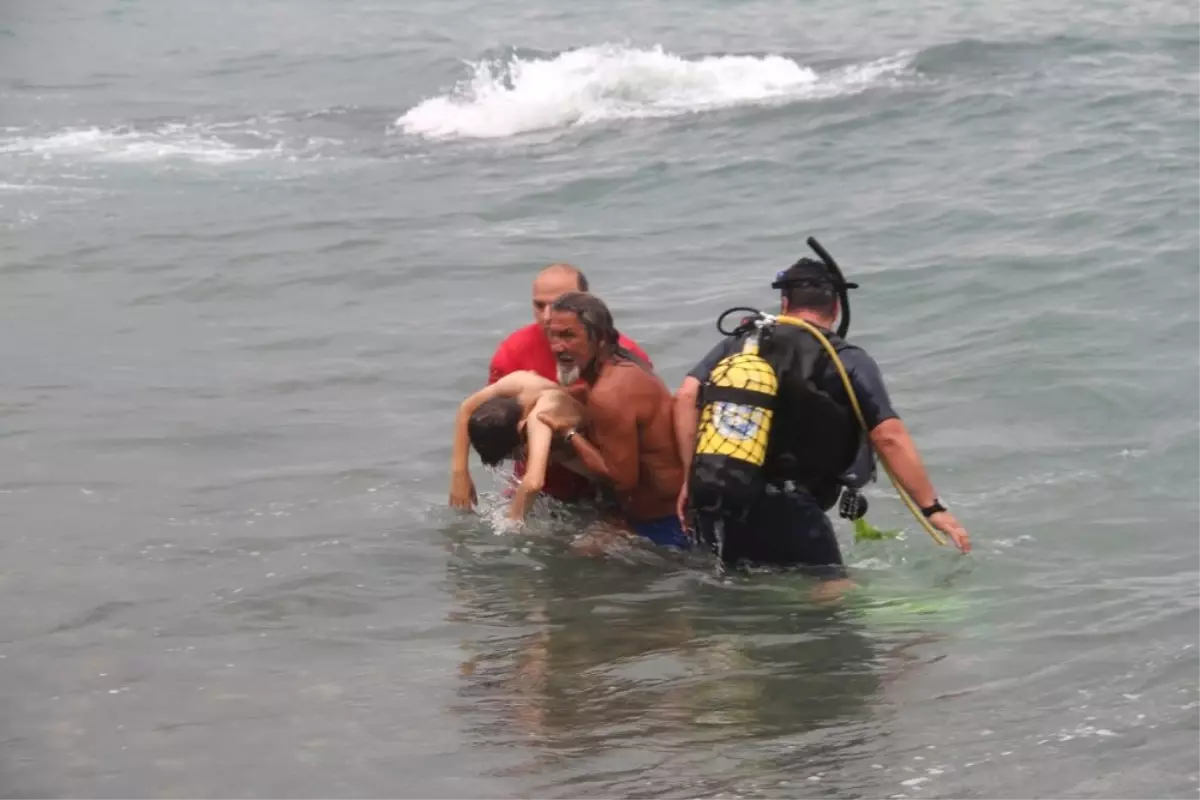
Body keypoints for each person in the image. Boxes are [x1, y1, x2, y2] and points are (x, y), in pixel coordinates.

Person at [673, 256, 970, 576]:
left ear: (785, 302)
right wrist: (932, 508)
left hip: (719, 497)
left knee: (730, 593)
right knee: (831, 599)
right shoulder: (846, 358)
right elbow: (888, 435)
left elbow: (686, 396)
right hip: (790, 510)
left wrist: (691, 478)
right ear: (837, 308)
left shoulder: (740, 344)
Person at [533, 292, 689, 550]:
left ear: (600, 339)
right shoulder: (624, 364)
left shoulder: (609, 392)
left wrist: (570, 434)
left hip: (667, 523)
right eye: (553, 335)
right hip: (648, 513)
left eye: (569, 336)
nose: (557, 347)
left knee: (577, 559)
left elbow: (621, 480)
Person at [488, 263, 653, 504]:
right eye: (538, 305)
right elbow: (495, 430)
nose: (546, 317)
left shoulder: (628, 361)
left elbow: (645, 450)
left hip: (613, 492)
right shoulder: (512, 353)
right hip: (542, 490)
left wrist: (565, 434)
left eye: (557, 305)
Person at [449, 370, 591, 522]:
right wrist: (460, 474)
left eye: (515, 455)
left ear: (521, 428)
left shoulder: (540, 418)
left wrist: (512, 522)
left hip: (602, 457)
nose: (519, 459)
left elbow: (534, 482)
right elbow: (466, 408)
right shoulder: (520, 382)